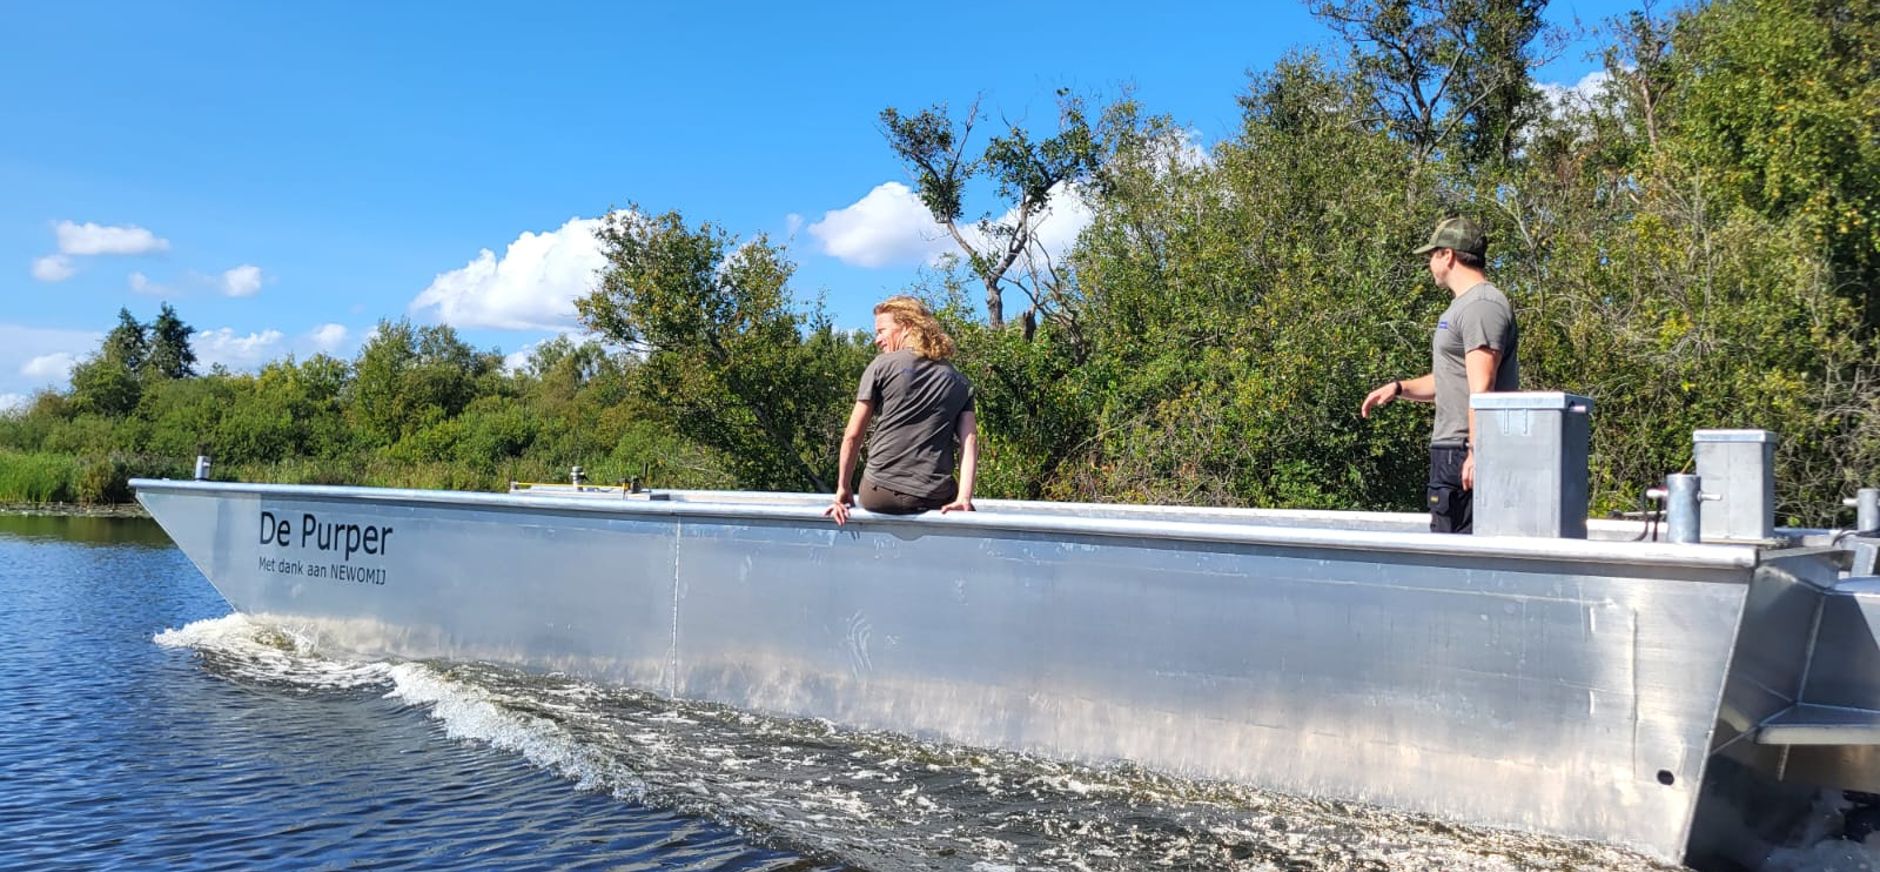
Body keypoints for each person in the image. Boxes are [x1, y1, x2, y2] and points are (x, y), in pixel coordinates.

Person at [1359, 216, 1519, 534]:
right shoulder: (1463, 307)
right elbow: (1450, 378)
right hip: (1453, 450)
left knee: (1462, 559)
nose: (1430, 263)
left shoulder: (1481, 306)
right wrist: (1398, 387)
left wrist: (1476, 450)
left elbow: (1482, 385)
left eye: (1432, 254)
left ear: (1448, 255)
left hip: (1465, 450)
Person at [824, 296, 978, 526]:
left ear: (906, 327)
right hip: (936, 497)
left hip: (881, 494)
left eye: (882, 331)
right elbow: (970, 442)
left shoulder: (881, 366)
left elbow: (852, 436)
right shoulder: (960, 381)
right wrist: (963, 498)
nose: (877, 340)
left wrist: (843, 489)